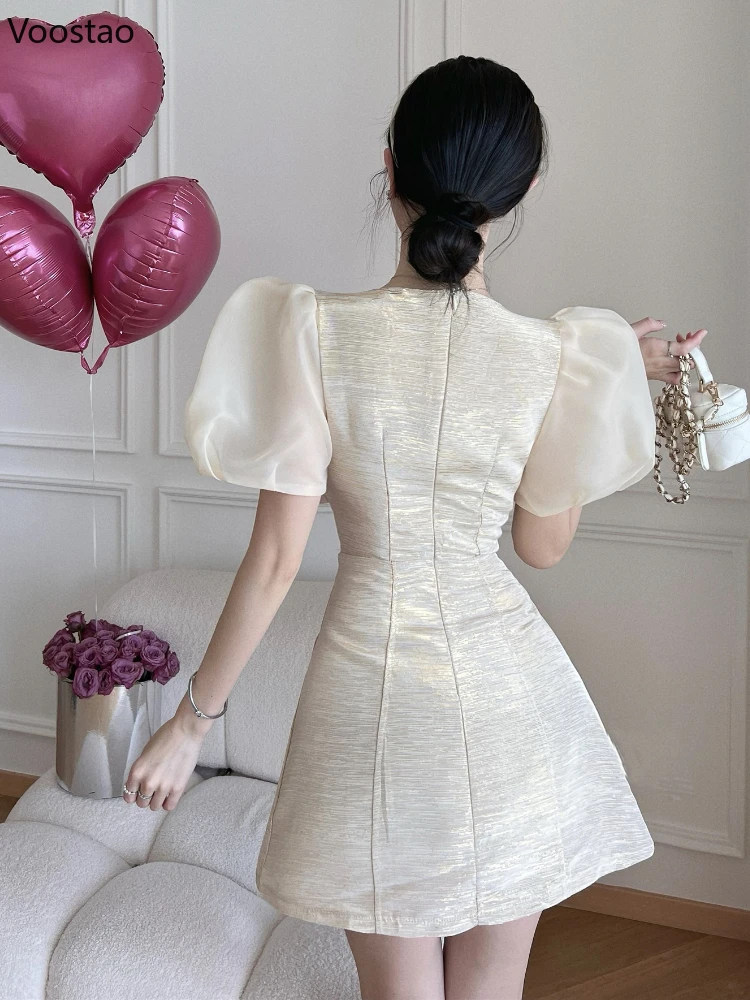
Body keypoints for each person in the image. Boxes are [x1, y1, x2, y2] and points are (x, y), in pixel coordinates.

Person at [122, 55, 708, 1000]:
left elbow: (275, 559)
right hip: (512, 703)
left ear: (390, 165)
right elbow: (542, 547)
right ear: (517, 194)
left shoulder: (312, 331)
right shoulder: (554, 354)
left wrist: (193, 725)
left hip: (373, 706)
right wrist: (601, 387)